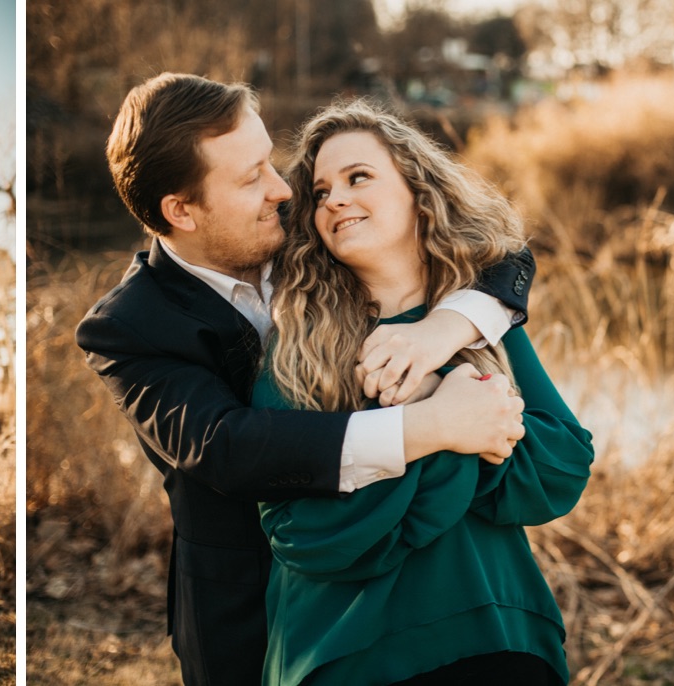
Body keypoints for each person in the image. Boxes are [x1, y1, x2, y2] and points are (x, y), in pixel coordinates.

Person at [76, 72, 536, 685]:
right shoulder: (125, 327)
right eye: (250, 178)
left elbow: (498, 249)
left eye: (271, 162)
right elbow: (227, 447)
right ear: (180, 210)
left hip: (388, 587)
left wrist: (445, 329)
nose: (283, 190)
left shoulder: (307, 224)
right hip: (244, 607)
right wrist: (428, 425)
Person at [254, 99, 594, 685]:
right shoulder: (296, 352)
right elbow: (302, 534)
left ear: (419, 192)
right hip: (349, 654)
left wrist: (443, 393)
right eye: (320, 191)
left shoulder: (481, 323)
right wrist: (446, 427)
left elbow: (562, 470)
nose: (334, 198)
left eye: (359, 177)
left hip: (499, 636)